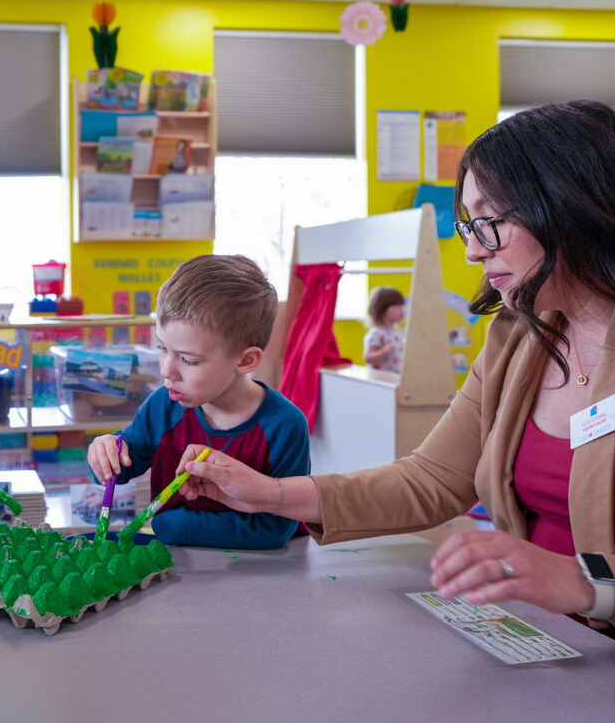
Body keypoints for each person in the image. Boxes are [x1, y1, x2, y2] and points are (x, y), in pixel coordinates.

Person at [179, 100, 615, 628]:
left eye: (490, 223)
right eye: (467, 226)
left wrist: (586, 583)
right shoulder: (517, 339)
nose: (473, 253)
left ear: (571, 205)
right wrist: (268, 493)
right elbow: (431, 480)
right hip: (549, 637)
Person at [87, 254, 310, 549]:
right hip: (178, 569)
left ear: (245, 360)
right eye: (162, 348)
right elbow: (124, 465)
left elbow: (276, 528)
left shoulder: (285, 426)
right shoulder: (163, 405)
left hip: (264, 575)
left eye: (189, 360)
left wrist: (176, 525)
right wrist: (106, 452)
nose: (166, 370)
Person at [363, 286, 406, 372]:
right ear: (382, 309)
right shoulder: (376, 333)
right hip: (381, 380)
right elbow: (368, 358)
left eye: (402, 305)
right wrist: (385, 351)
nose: (402, 309)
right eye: (397, 306)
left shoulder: (396, 331)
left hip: (395, 378)